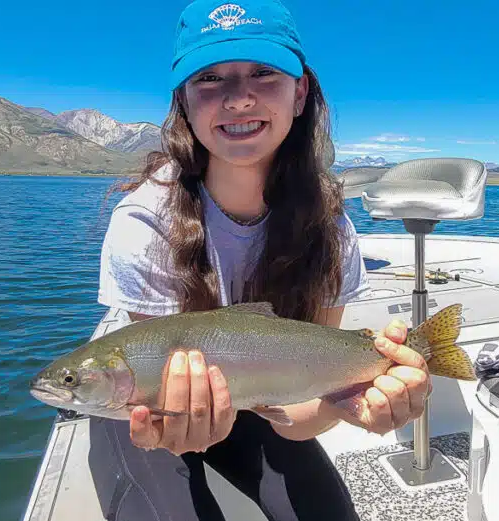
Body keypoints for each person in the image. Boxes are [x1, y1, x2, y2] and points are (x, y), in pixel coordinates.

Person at [88, 1, 432, 519]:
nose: (238, 98)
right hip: (143, 406)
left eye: (263, 72)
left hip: (264, 399)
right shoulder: (144, 222)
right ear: (183, 101)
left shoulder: (331, 228)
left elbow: (298, 416)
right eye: (210, 78)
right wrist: (169, 426)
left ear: (300, 93)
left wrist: (353, 403)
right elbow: (156, 384)